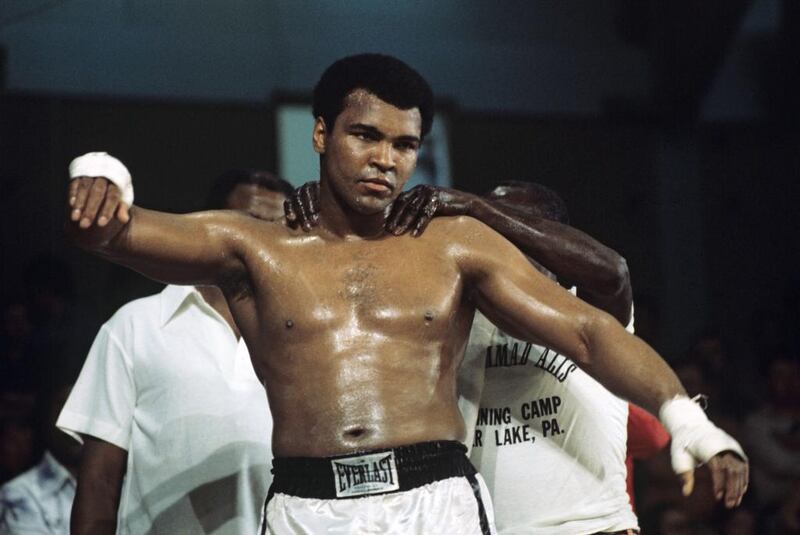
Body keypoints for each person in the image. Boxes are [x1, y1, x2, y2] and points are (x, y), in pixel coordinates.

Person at [63, 53, 746, 534]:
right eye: (365, 135)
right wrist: (100, 175)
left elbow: (589, 330)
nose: (386, 158)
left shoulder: (454, 245)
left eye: (404, 143)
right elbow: (117, 235)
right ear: (322, 133)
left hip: (435, 499)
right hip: (308, 503)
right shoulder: (254, 247)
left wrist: (686, 417)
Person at [290, 179, 669, 533]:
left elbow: (613, 272)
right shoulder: (454, 319)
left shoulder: (586, 311)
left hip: (593, 527)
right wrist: (326, 219)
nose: (499, 246)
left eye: (513, 229)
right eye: (491, 235)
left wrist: (477, 209)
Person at [56, 170, 292, 535]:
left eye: (275, 229)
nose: (259, 240)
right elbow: (99, 483)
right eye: (246, 224)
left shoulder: (304, 338)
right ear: (205, 228)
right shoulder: (135, 326)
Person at [0, 384, 81, 535]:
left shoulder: (124, 486)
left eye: (83, 411)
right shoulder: (18, 494)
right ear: (47, 417)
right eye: (64, 409)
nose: (75, 425)